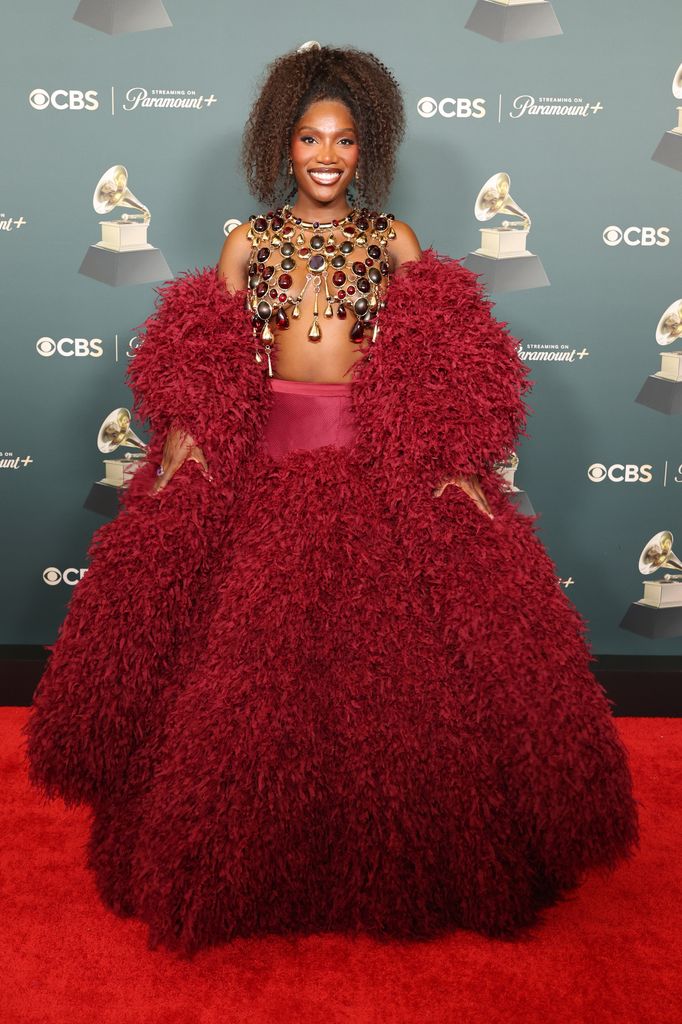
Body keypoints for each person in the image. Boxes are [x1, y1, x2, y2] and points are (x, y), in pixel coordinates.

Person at [22, 43, 640, 958]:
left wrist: (457, 453)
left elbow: (436, 364)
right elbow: (210, 359)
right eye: (309, 136)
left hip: (369, 473)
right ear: (283, 144)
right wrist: (186, 433)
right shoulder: (249, 241)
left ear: (367, 148)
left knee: (391, 682)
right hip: (262, 474)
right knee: (246, 686)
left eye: (343, 140)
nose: (325, 154)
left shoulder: (393, 242)